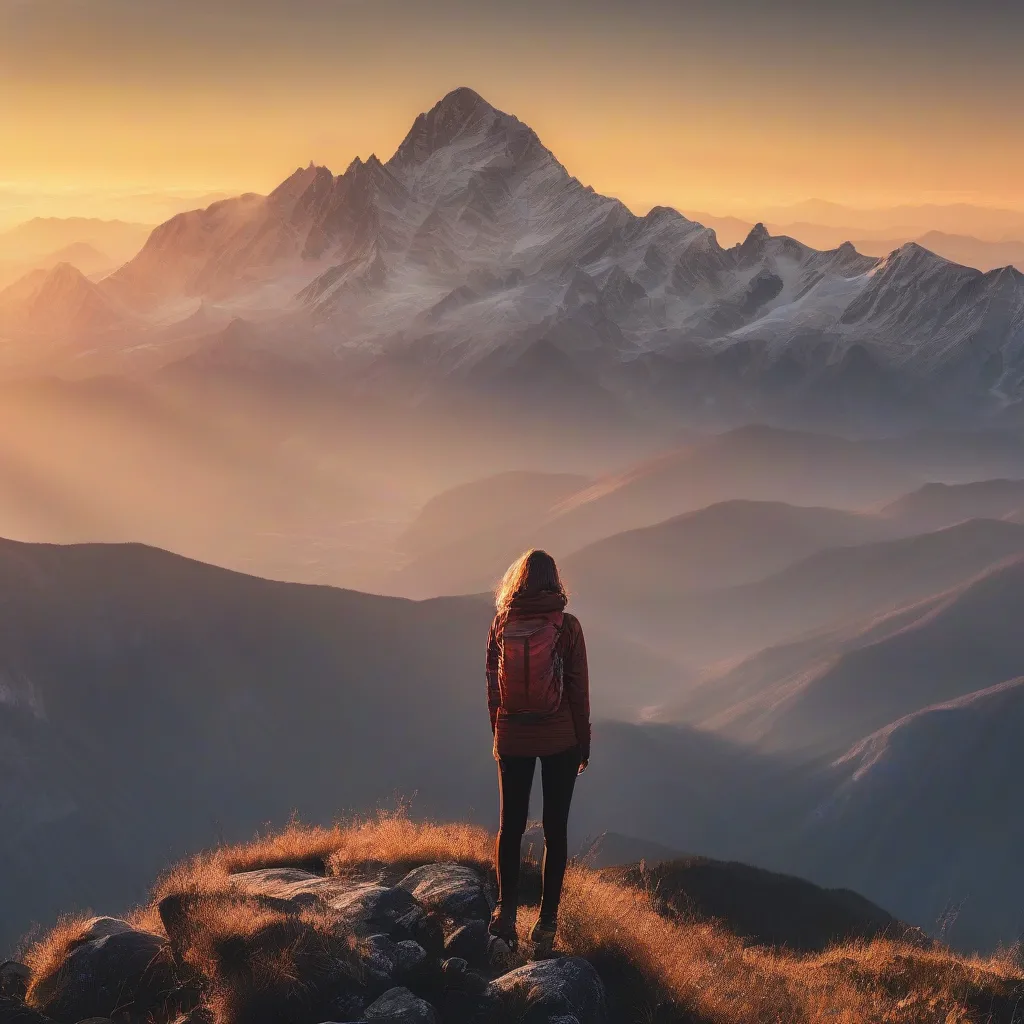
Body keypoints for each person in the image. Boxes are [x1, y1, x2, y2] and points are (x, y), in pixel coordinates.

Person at [485, 549, 591, 956]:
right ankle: (546, 924)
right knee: (554, 830)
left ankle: (505, 912)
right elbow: (578, 691)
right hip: (559, 739)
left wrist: (500, 733)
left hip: (512, 738)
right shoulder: (568, 628)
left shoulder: (501, 623)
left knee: (510, 827)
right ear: (554, 581)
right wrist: (583, 742)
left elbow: (493, 688)